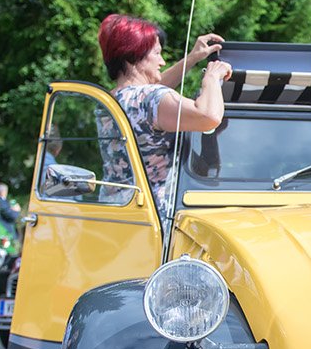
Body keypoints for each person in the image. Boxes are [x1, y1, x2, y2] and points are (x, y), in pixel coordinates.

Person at [97, 14, 232, 210]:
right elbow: (209, 116)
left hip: (116, 210)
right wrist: (212, 76)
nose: (161, 62)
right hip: (156, 214)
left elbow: (151, 94)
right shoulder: (150, 99)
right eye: (157, 53)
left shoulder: (108, 101)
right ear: (134, 56)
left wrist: (193, 58)